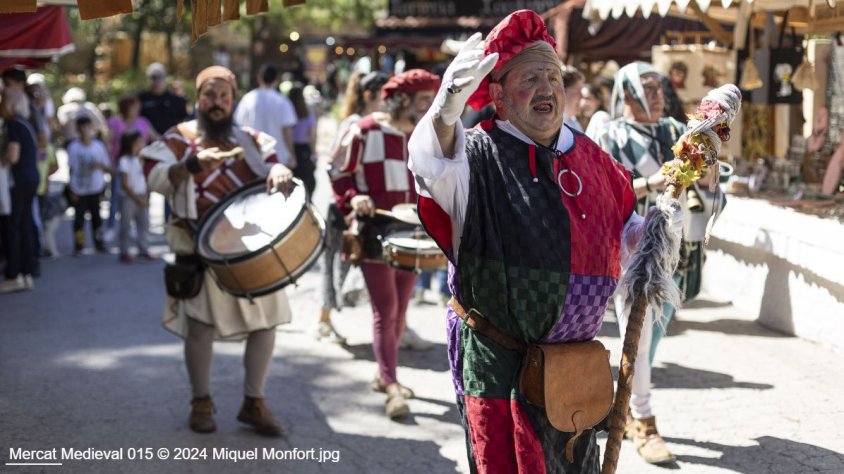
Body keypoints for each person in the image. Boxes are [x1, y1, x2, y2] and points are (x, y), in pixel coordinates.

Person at [407, 10, 678, 472]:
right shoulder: (473, 154)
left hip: (575, 367)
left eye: (552, 77)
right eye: (530, 78)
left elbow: (623, 231)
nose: (547, 89)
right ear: (497, 94)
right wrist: (442, 112)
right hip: (499, 364)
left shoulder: (593, 158)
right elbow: (429, 165)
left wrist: (652, 232)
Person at [140, 65, 295, 436]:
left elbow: (274, 162)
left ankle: (254, 402)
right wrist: (191, 165)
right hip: (199, 251)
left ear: (233, 99)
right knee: (201, 327)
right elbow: (153, 176)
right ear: (198, 98)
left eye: (224, 96)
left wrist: (278, 171)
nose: (217, 103)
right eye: (210, 96)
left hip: (249, 251)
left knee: (267, 323)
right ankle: (201, 402)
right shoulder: (178, 138)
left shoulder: (250, 139)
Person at [331, 68, 441, 419]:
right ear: (403, 99)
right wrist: (354, 197)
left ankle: (384, 373)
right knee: (386, 309)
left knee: (400, 311)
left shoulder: (425, 135)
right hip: (375, 229)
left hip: (413, 231)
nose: (428, 108)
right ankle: (392, 384)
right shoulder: (362, 130)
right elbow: (337, 171)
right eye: (424, 101)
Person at [596, 61, 687, 465]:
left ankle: (628, 407)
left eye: (658, 86)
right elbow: (606, 190)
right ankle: (644, 421)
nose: (657, 93)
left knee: (652, 338)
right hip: (631, 247)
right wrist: (657, 182)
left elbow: (701, 179)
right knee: (640, 335)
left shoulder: (672, 129)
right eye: (646, 88)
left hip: (673, 244)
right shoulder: (610, 134)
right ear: (627, 94)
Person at [316, 70, 389, 344]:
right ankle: (323, 322)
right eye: (385, 94)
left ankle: (396, 324)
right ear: (369, 95)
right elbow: (333, 167)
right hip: (342, 208)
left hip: (359, 208)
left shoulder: (376, 122)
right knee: (335, 265)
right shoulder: (356, 123)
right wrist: (348, 200)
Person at [0, 90, 39, 293]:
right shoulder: (26, 124)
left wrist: (2, 160)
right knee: (23, 225)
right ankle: (26, 273)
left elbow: (13, 156)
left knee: (13, 227)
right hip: (30, 179)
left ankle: (14, 274)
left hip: (19, 180)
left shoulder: (13, 124)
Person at [105, 95, 156, 240]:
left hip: (140, 166)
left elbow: (155, 137)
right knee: (117, 198)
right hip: (121, 166)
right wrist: (109, 162)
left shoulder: (143, 122)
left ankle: (140, 229)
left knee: (142, 195)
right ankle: (111, 227)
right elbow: (107, 141)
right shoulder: (115, 122)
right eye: (135, 105)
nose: (138, 108)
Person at [233, 63, 297, 171]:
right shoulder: (283, 101)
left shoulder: (247, 99)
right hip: (279, 158)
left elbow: (239, 127)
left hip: (253, 159)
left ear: (259, 78)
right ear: (276, 80)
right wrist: (292, 154)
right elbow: (287, 131)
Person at [66, 116, 111, 255]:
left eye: (87, 127)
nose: (85, 131)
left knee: (96, 217)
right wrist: (71, 189)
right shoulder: (73, 147)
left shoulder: (98, 146)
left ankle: (99, 242)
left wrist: (99, 166)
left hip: (95, 187)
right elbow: (71, 168)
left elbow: (107, 166)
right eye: (82, 128)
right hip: (79, 188)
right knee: (79, 219)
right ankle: (79, 244)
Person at [116, 131, 151, 263]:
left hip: (141, 195)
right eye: (140, 141)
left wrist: (145, 195)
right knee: (125, 225)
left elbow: (144, 179)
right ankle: (124, 251)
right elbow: (125, 184)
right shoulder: (124, 160)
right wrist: (138, 198)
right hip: (129, 197)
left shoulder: (141, 159)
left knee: (144, 224)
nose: (142, 144)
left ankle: (143, 249)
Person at [139, 63, 189, 137]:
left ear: (165, 78)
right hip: (149, 142)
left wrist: (183, 97)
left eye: (159, 77)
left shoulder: (173, 97)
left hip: (171, 140)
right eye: (153, 77)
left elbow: (185, 116)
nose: (156, 81)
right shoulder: (141, 98)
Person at [287, 84, 317, 197]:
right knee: (307, 181)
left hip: (293, 149)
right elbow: (312, 136)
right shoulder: (307, 114)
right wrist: (314, 153)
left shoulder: (288, 113)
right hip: (304, 149)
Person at [562, 65, 585, 132]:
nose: (582, 96)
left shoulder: (575, 124)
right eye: (578, 91)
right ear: (562, 93)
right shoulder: (549, 127)